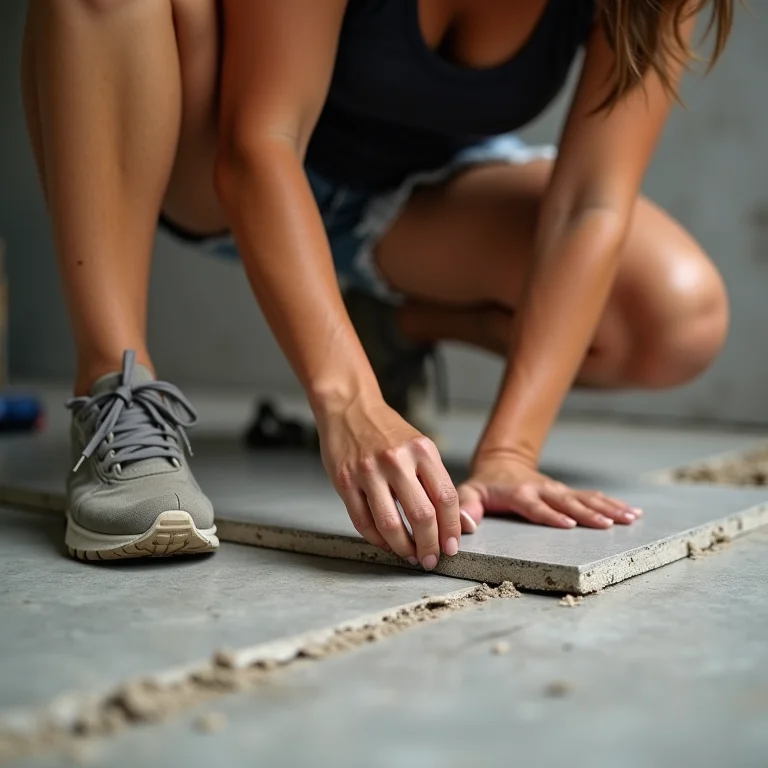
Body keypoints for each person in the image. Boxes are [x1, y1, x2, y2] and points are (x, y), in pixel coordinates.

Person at [22, 0, 733, 565]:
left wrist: (509, 453)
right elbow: (260, 143)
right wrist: (349, 401)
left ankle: (391, 322)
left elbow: (591, 203)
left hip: (409, 201)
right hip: (219, 154)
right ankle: (117, 385)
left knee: (674, 319)